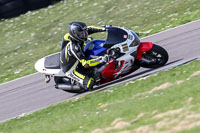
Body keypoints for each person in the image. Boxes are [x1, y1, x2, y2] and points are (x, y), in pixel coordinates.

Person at [60, 21, 109, 90]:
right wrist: (101, 59)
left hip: (78, 58)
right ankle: (81, 84)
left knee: (92, 43)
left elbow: (90, 28)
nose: (84, 35)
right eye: (81, 34)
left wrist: (104, 28)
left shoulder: (77, 35)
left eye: (84, 32)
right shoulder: (75, 48)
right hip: (72, 69)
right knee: (90, 83)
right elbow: (85, 63)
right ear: (75, 34)